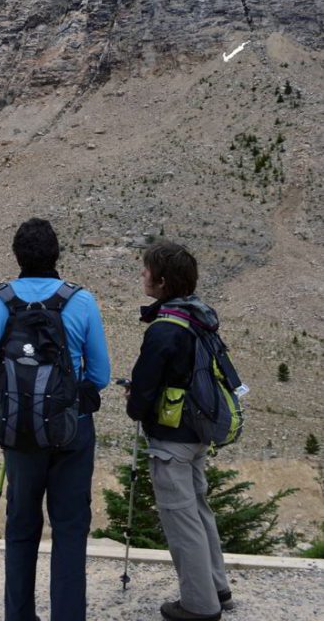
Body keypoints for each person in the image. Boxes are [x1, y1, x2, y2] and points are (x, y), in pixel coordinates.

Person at [0, 217, 110, 621]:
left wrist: (0, 419)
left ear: (16, 256)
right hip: (72, 430)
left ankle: (19, 615)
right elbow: (99, 375)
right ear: (57, 254)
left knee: (21, 527)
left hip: (19, 432)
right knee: (69, 529)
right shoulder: (81, 301)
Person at [126, 240, 233, 621]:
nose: (142, 274)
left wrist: (134, 404)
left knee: (181, 520)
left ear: (162, 280)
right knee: (200, 512)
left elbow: (143, 390)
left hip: (170, 441)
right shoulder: (199, 317)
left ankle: (199, 605)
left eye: (146, 269)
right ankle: (218, 588)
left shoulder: (164, 329)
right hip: (198, 434)